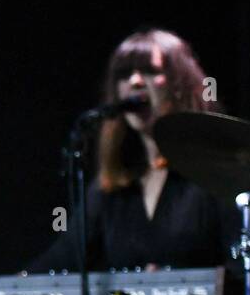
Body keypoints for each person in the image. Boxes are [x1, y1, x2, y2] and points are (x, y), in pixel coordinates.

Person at [28, 27, 238, 276]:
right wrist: (10, 290)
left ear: (180, 85)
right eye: (124, 75)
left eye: (150, 71)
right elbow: (64, 257)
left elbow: (243, 271)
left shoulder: (219, 174)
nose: (136, 82)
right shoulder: (114, 186)